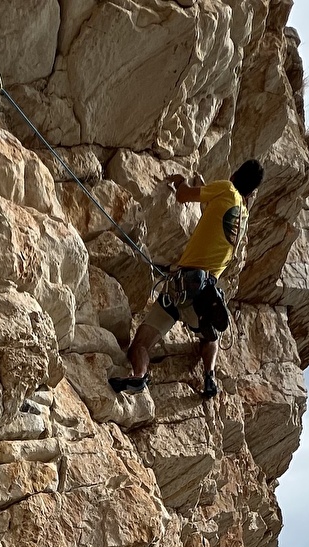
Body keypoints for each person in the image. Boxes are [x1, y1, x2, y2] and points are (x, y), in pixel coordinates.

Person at [110, 159, 264, 400]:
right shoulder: (242, 218)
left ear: (234, 174)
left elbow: (182, 196)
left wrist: (180, 181)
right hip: (203, 297)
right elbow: (214, 225)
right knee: (210, 337)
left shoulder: (225, 189)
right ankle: (210, 374)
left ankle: (139, 375)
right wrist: (207, 192)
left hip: (179, 288)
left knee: (141, 343)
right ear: (252, 192)